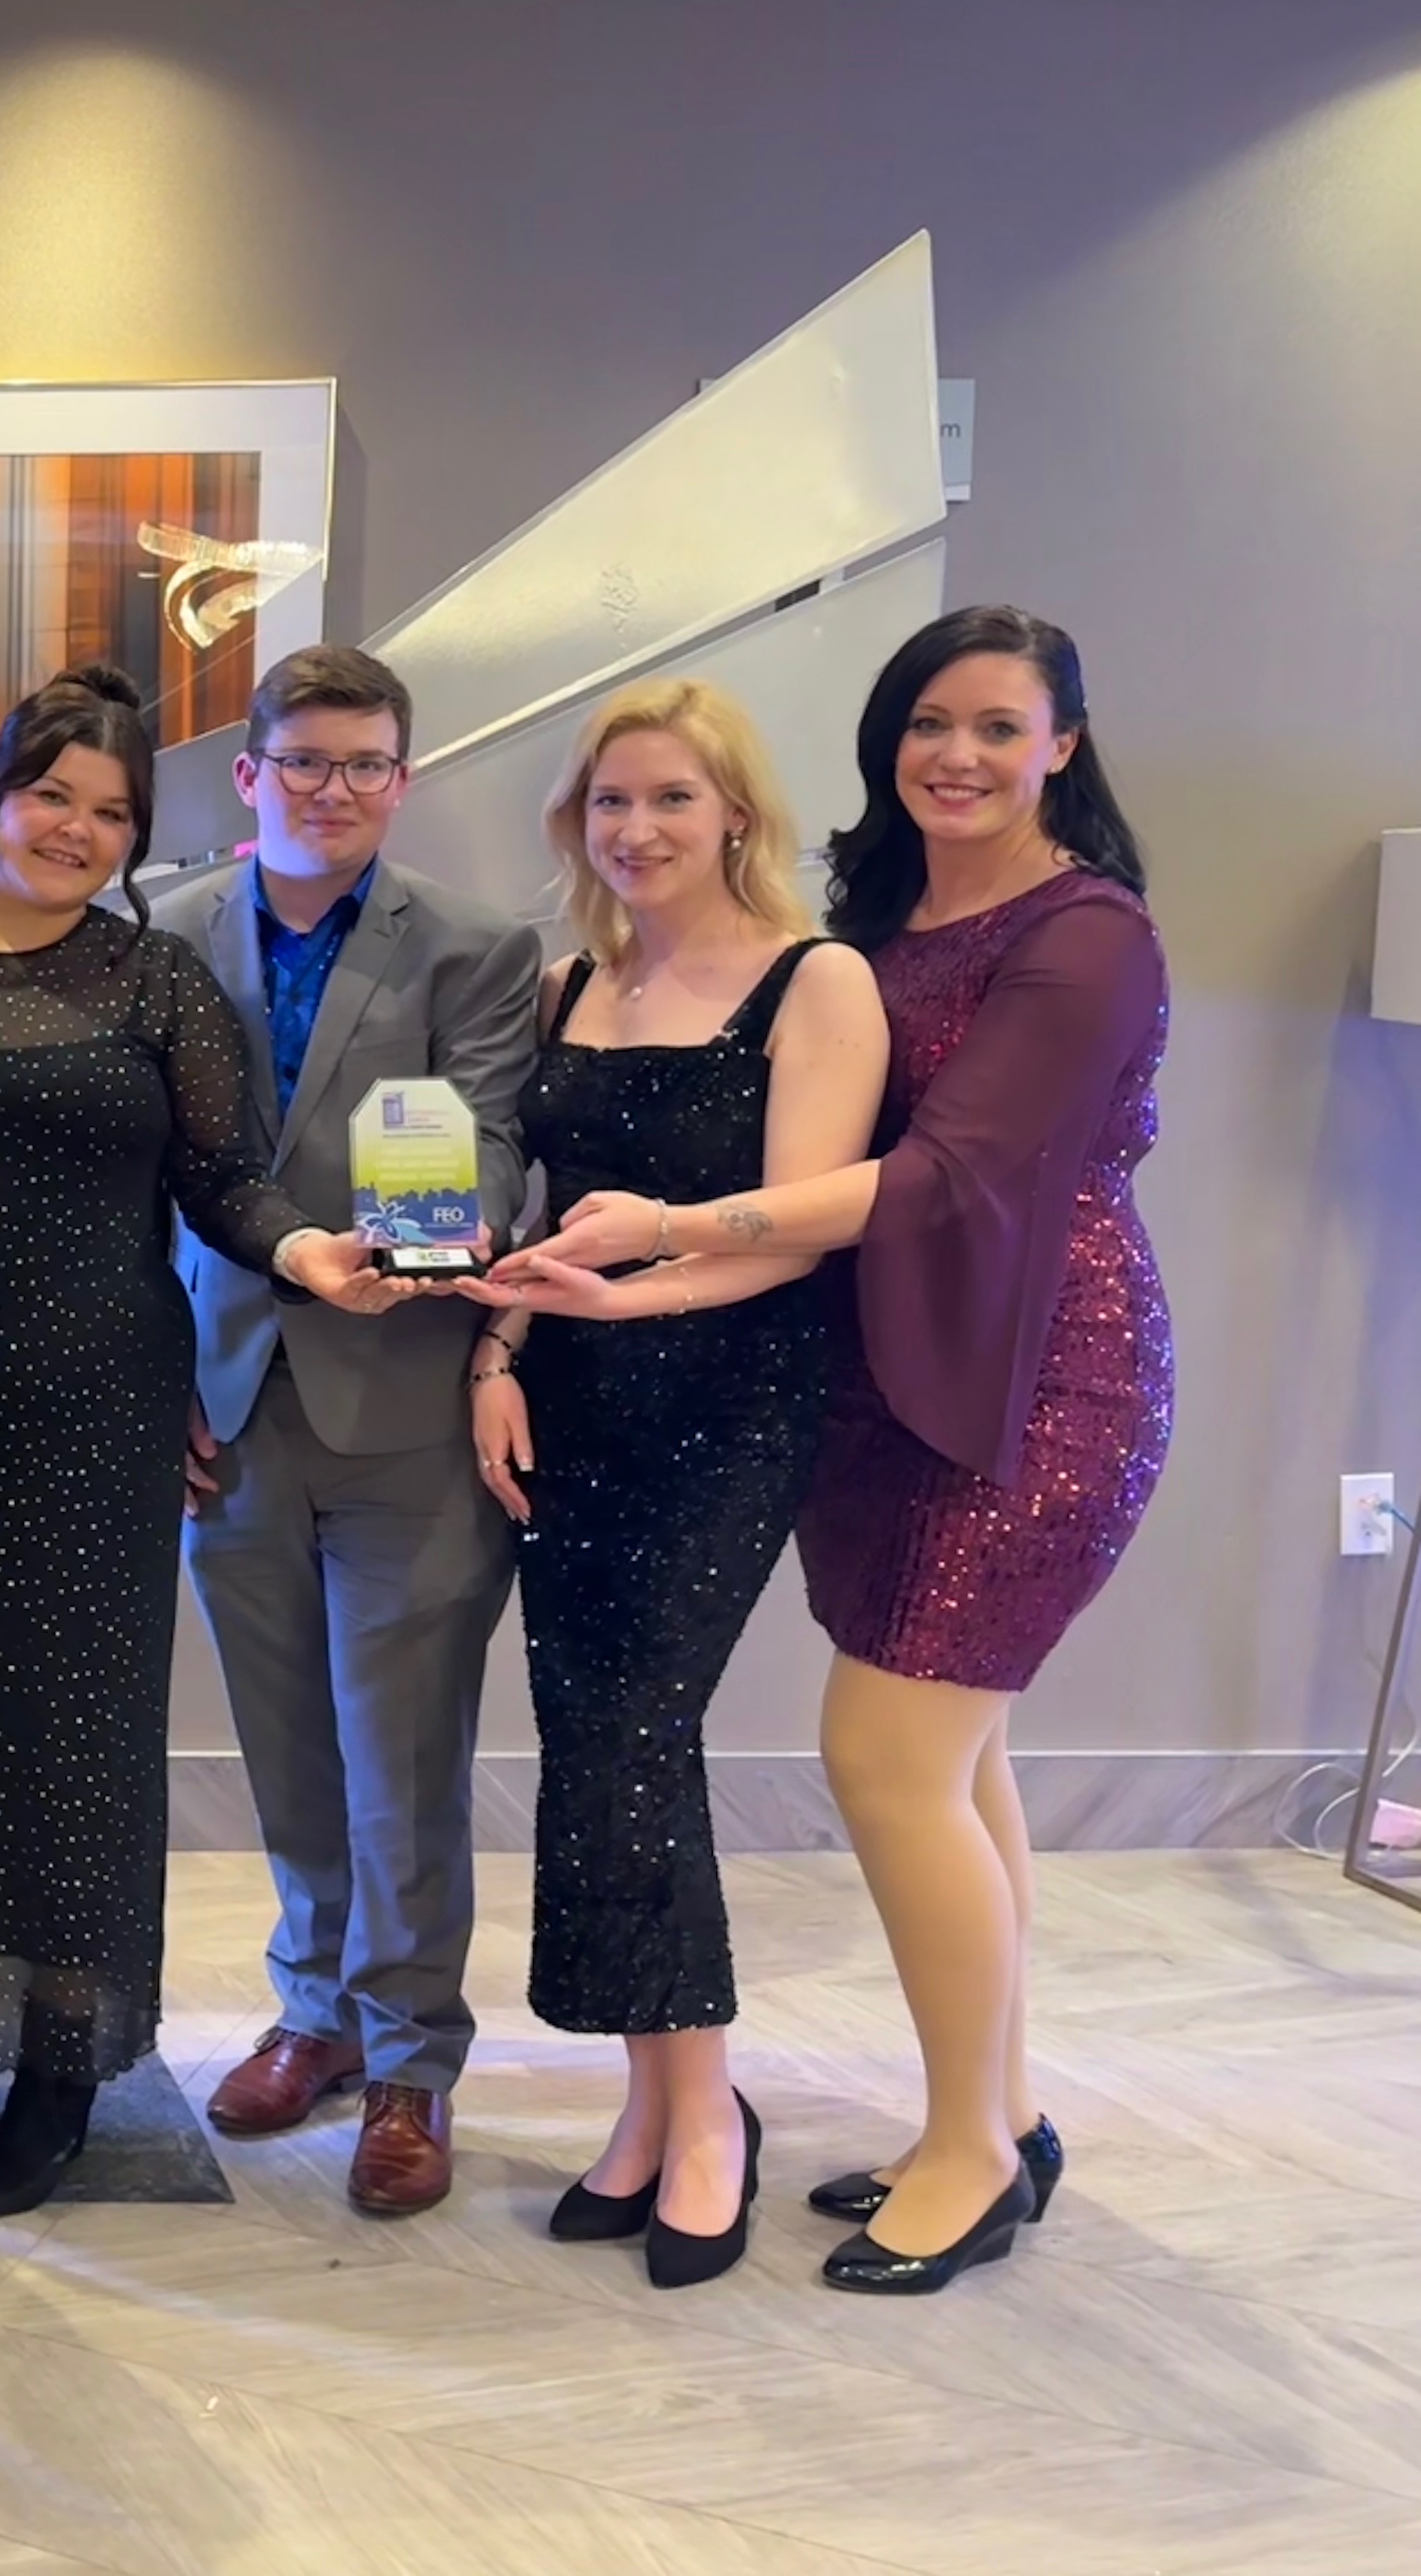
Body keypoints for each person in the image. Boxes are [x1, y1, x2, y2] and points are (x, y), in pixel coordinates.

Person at [498, 607, 1167, 2295]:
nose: (957, 756)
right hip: (882, 1379)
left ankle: (968, 2158)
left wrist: (666, 1233)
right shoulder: (883, 919)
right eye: (927, 723)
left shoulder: (1087, 936)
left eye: (999, 729)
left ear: (1062, 749)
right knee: (965, 1761)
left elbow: (948, 1179)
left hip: (1031, 1380)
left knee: (885, 1758)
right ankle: (998, 2113)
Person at [0, 663, 382, 2219]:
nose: (79, 833)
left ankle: (57, 2063)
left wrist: (304, 1254)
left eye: (112, 814)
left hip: (102, 1406)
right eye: (53, 797)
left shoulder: (156, 982)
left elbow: (225, 1183)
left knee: (79, 1742)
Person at [452, 680, 884, 2289]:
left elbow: (810, 1221)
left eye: (671, 803)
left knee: (636, 1731)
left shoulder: (812, 981)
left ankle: (708, 2112)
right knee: (590, 1739)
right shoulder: (571, 979)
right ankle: (649, 2109)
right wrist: (497, 1358)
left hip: (732, 1395)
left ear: (736, 818)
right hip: (564, 1390)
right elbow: (547, 1209)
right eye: (610, 805)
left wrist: (637, 1285)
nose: (637, 831)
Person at [151, 642, 539, 2216]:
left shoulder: (475, 946)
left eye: (364, 763)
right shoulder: (165, 935)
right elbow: (141, 1179)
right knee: (289, 1748)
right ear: (247, 777)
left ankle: (410, 2064)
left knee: (402, 1759)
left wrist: (431, 1256)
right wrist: (155, 1370)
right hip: (225, 1401)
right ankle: (311, 2013)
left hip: (405, 1401)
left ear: (405, 776)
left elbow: (495, 1145)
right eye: (302, 762)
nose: (333, 790)